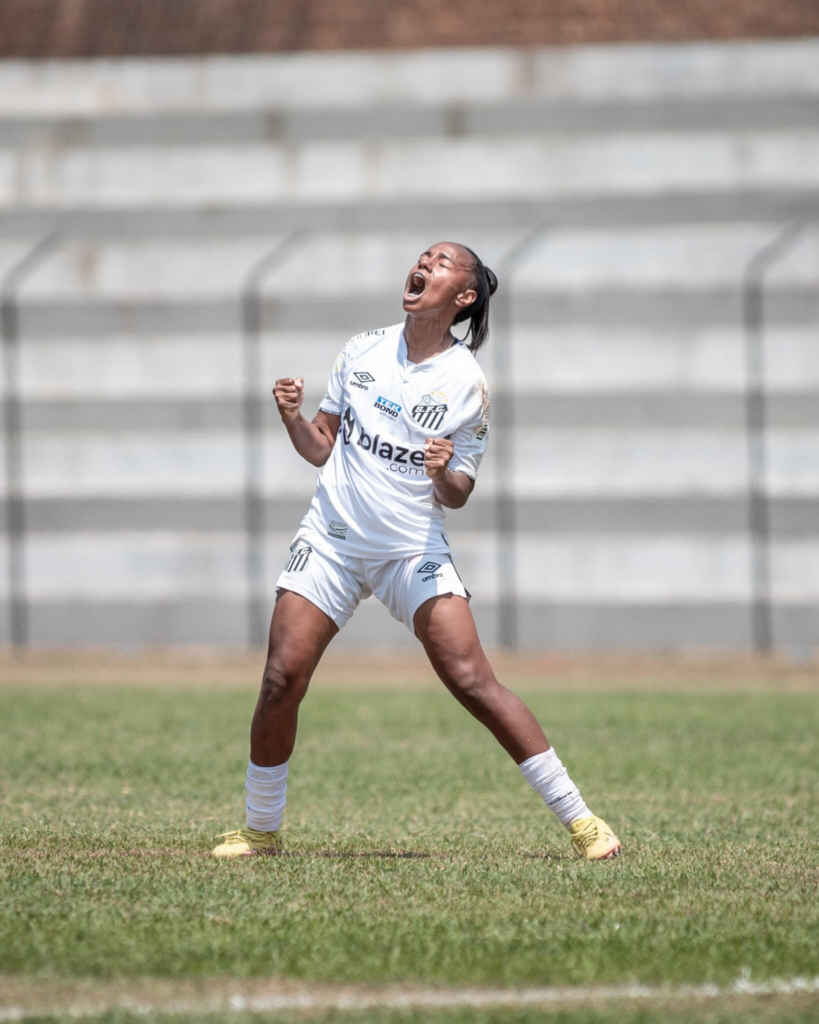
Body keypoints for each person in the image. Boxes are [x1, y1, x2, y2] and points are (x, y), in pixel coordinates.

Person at [212, 242, 621, 861]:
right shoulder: (361, 349)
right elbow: (321, 448)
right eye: (423, 257)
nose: (424, 264)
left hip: (411, 550)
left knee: (471, 680)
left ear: (464, 296)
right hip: (333, 540)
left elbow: (457, 494)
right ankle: (259, 830)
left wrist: (442, 469)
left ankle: (583, 822)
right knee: (280, 679)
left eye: (442, 262)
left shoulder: (468, 384)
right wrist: (293, 417)